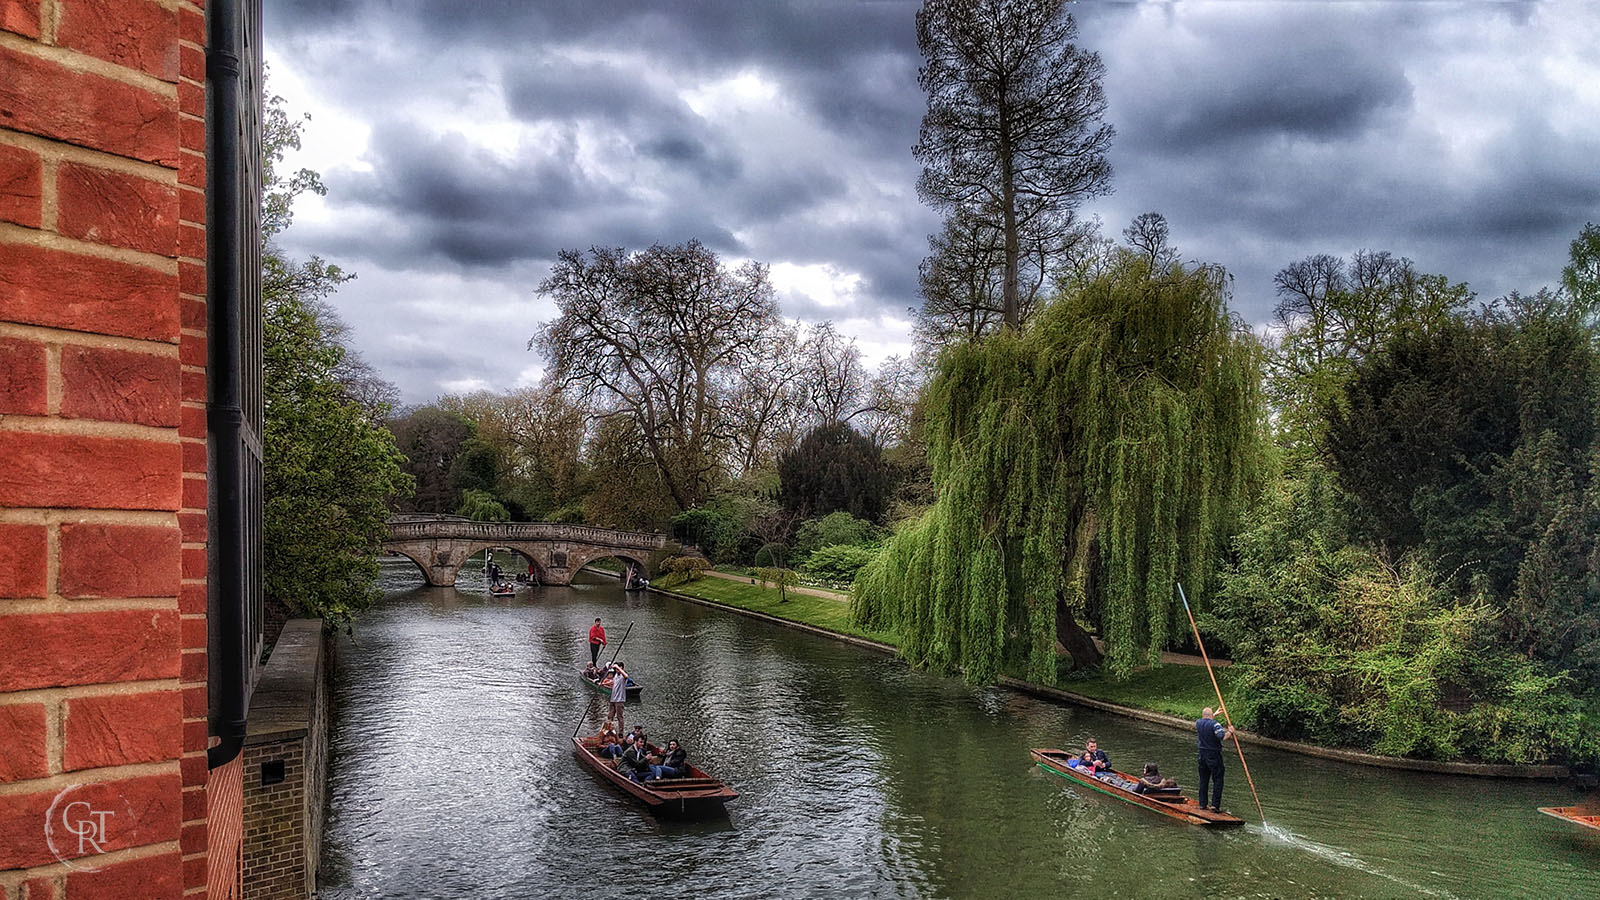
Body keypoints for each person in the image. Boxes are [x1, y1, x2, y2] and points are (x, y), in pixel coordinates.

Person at [1196, 707, 1234, 812]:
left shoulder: (1198, 723)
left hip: (1202, 755)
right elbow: (1222, 737)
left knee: (1203, 780)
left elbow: (1206, 719)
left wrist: (1214, 714)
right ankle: (1215, 805)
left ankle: (1202, 804)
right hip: (1213, 755)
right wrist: (1230, 732)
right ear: (1211, 716)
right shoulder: (1215, 725)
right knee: (1218, 780)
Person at [608, 660, 629, 735]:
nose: (616, 670)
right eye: (615, 669)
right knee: (610, 716)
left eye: (617, 669)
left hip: (619, 700)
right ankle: (609, 730)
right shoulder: (616, 675)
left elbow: (626, 676)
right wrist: (602, 683)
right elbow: (613, 682)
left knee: (619, 717)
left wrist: (618, 667)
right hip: (613, 699)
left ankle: (620, 732)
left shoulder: (623, 676)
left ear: (621, 668)